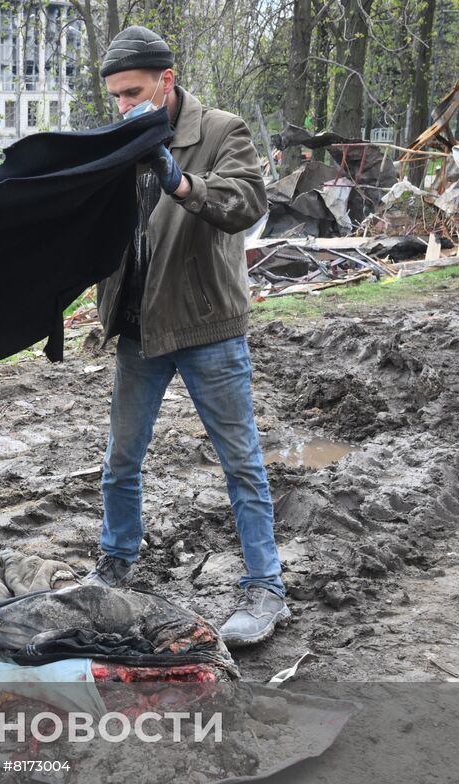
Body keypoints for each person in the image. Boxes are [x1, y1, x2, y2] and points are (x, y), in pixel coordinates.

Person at [84, 26, 288, 648]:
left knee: (241, 463)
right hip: (139, 330)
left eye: (134, 93)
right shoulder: (120, 137)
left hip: (206, 328)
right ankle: (115, 561)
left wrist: (178, 180)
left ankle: (265, 586)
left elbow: (247, 204)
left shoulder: (222, 131)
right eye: (116, 97)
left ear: (166, 81)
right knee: (121, 462)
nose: (124, 107)